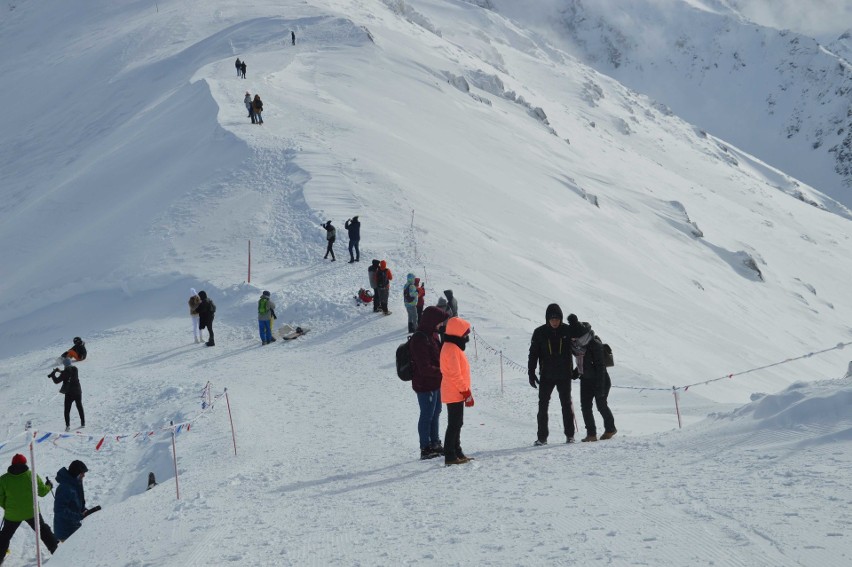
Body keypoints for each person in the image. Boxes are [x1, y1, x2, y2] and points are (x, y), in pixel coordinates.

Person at [527, 303, 576, 445]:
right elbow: (533, 354)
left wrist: (577, 370)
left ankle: (570, 435)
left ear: (561, 319)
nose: (554, 322)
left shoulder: (568, 330)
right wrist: (531, 373)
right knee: (543, 406)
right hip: (546, 376)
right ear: (547, 319)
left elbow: (579, 349)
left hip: (564, 375)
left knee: (566, 405)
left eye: (557, 319)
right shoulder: (540, 332)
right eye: (552, 319)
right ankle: (542, 438)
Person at [0, 454, 58, 561]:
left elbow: (0, 498)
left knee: (4, 536)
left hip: (13, 514)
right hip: (31, 512)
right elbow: (42, 492)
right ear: (25, 463)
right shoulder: (31, 476)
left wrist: (8, 507)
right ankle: (57, 550)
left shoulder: (3, 479)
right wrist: (49, 485)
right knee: (43, 530)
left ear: (12, 464)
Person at [410, 307, 448, 460]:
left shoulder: (432, 336)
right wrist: (443, 372)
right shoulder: (419, 339)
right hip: (425, 384)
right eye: (439, 322)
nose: (440, 325)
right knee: (427, 414)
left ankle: (435, 443)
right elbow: (424, 367)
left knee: (436, 411)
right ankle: (425, 447)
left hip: (435, 382)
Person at [572, 323, 616, 442]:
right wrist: (575, 373)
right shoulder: (577, 346)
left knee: (601, 405)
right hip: (585, 380)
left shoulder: (594, 344)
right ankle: (591, 434)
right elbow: (583, 364)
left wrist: (600, 386)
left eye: (575, 336)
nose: (573, 339)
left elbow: (601, 367)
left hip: (600, 380)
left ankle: (610, 429)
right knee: (585, 407)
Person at [440, 317, 474, 465]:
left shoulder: (452, 346)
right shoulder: (451, 349)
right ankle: (450, 455)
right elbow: (454, 374)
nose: (466, 336)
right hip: (455, 391)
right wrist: (465, 392)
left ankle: (457, 451)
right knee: (454, 424)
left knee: (457, 423)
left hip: (456, 391)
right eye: (465, 333)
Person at [53, 460, 90, 541]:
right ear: (76, 473)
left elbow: (75, 503)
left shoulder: (75, 484)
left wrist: (84, 510)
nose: (84, 475)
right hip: (66, 532)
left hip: (73, 527)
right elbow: (59, 510)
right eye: (82, 473)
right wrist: (79, 516)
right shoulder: (65, 488)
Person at [49, 358, 85, 432]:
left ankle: (68, 426)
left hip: (69, 393)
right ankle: (83, 423)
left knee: (67, 410)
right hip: (78, 391)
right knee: (79, 406)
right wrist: (60, 371)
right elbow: (68, 372)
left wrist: (53, 375)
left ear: (64, 364)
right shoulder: (75, 369)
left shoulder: (65, 372)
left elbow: (56, 381)